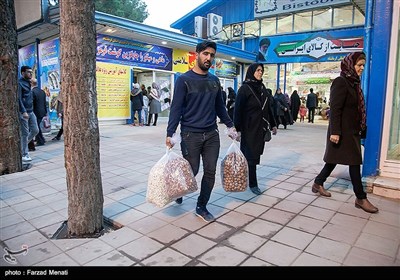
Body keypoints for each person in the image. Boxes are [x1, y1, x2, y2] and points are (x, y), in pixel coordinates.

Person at [166, 40, 237, 223]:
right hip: (191, 135)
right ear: (197, 54)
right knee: (192, 170)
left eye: (212, 55)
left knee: (211, 171)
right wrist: (171, 133)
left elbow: (220, 107)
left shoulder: (214, 81)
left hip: (211, 134)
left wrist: (230, 126)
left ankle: (201, 206)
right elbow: (176, 108)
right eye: (205, 54)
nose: (208, 58)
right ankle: (179, 189)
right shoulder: (184, 80)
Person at [312, 52, 378, 214]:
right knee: (354, 162)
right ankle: (360, 198)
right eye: (359, 65)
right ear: (350, 65)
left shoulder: (354, 83)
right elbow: (335, 109)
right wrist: (335, 132)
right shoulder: (341, 82)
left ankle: (318, 183)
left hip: (351, 131)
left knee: (333, 160)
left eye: (363, 65)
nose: (362, 68)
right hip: (341, 131)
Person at [234, 63, 277, 195]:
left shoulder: (262, 88)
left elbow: (269, 107)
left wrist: (273, 124)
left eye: (261, 71)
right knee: (251, 157)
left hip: (260, 128)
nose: (260, 73)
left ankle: (243, 177)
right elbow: (238, 110)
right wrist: (237, 129)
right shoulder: (244, 89)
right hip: (248, 128)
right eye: (258, 70)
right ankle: (253, 183)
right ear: (252, 71)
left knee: (254, 155)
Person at [18, 66, 39, 162]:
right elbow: (19, 99)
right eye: (28, 72)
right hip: (24, 112)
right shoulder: (20, 83)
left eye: (31, 72)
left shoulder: (29, 83)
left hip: (31, 111)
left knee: (35, 130)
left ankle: (22, 147)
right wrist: (23, 111)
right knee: (25, 133)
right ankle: (24, 153)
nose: (30, 74)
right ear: (23, 73)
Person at [30, 78, 48, 147]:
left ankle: (40, 140)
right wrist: (45, 112)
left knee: (36, 127)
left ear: (31, 83)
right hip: (42, 111)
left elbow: (32, 103)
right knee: (37, 126)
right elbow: (44, 102)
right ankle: (40, 139)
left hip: (35, 112)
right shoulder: (42, 91)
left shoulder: (32, 92)